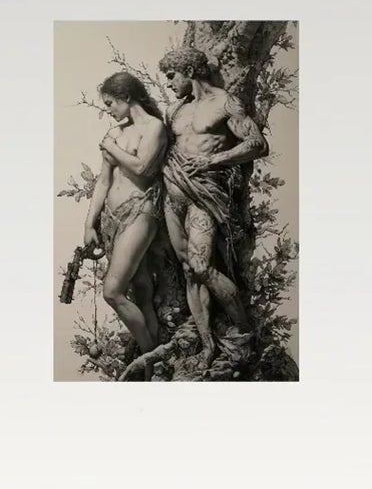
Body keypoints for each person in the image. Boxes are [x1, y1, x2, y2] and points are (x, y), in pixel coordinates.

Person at [158, 43, 266, 374]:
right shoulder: (176, 110)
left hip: (205, 196)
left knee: (203, 266)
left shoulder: (224, 102)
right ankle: (207, 346)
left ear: (189, 71)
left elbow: (256, 144)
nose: (169, 83)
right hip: (173, 195)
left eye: (172, 75)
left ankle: (244, 333)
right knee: (190, 270)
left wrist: (212, 160)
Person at [78, 72, 169, 363]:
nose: (108, 110)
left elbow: (142, 167)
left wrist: (112, 149)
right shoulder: (117, 133)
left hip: (140, 212)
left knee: (112, 291)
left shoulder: (154, 128)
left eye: (110, 103)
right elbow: (103, 182)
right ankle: (155, 368)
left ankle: (149, 357)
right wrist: (89, 223)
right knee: (141, 291)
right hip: (112, 220)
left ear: (126, 97)